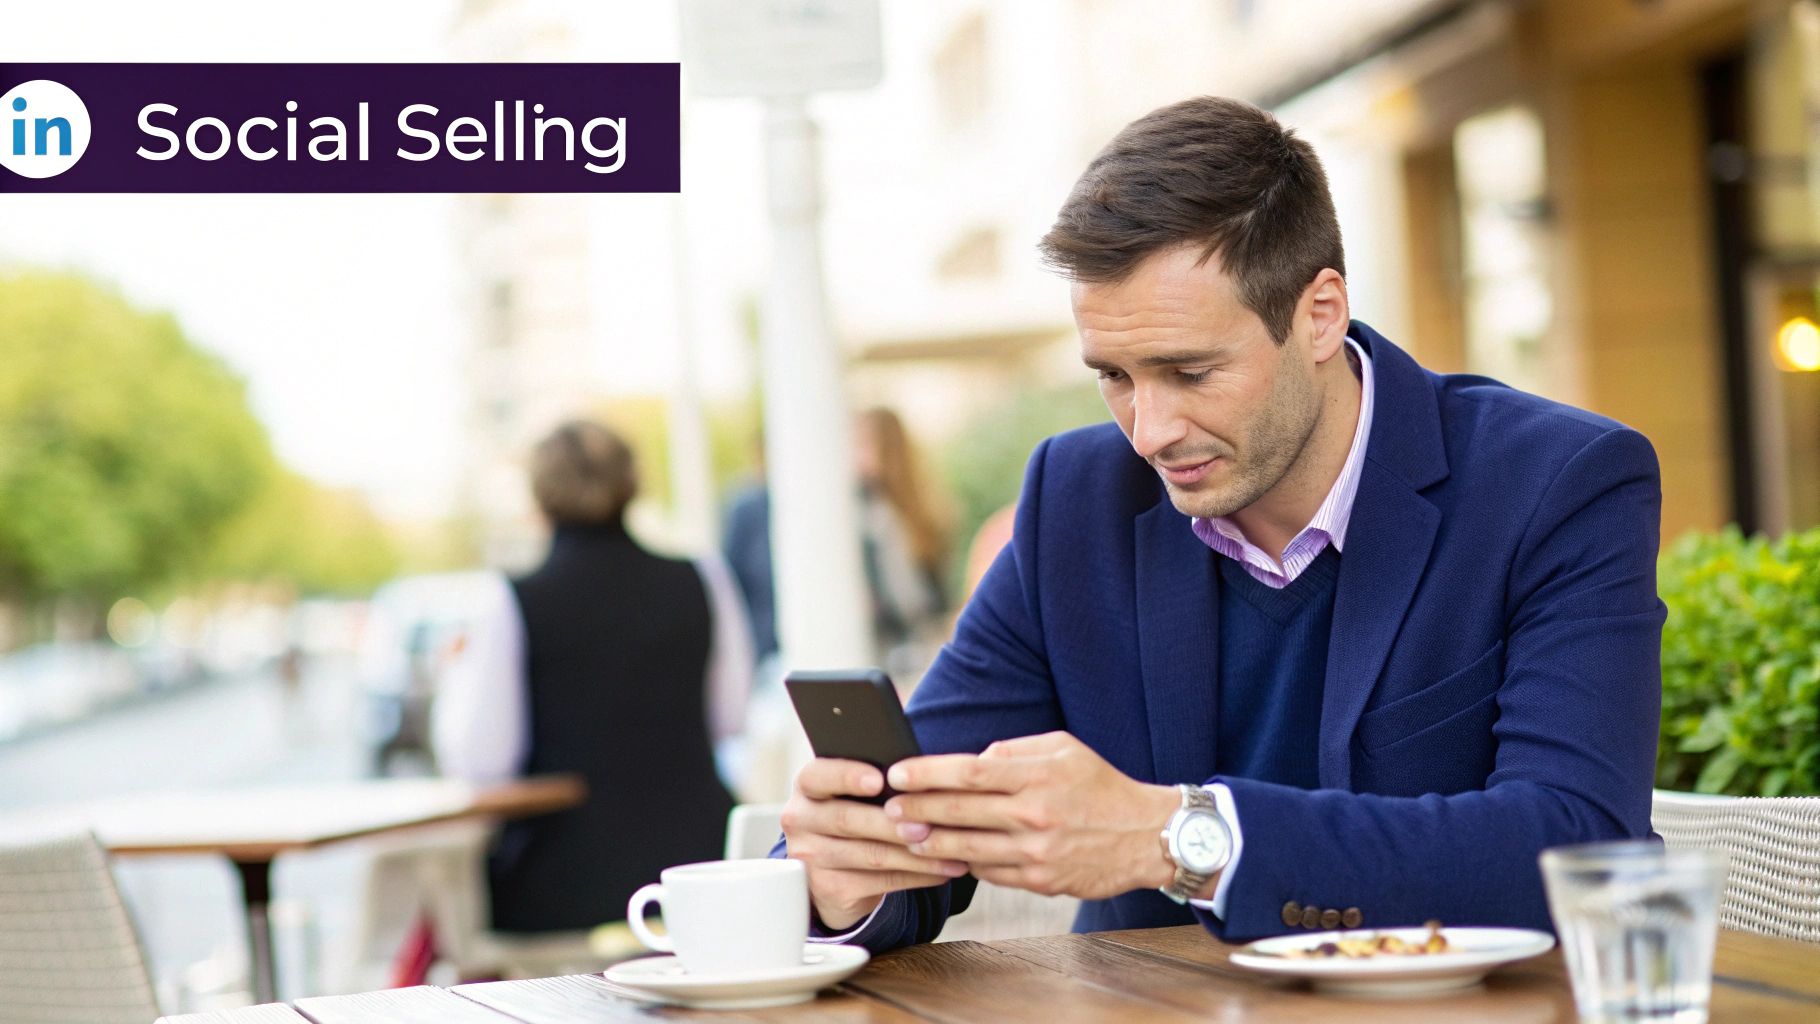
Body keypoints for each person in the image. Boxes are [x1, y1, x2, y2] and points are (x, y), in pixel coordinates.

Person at [776, 96, 1663, 948]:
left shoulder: (1556, 484)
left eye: (1190, 372)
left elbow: (1579, 848)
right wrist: (838, 880)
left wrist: (1177, 838)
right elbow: (917, 803)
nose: (1150, 432)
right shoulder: (1077, 502)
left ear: (1319, 315)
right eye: (1115, 376)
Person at [434, 419, 753, 933]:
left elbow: (481, 759)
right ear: (632, 482)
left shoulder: (513, 600)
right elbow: (731, 719)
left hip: (564, 884)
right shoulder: (702, 577)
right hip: (700, 867)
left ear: (540, 493)